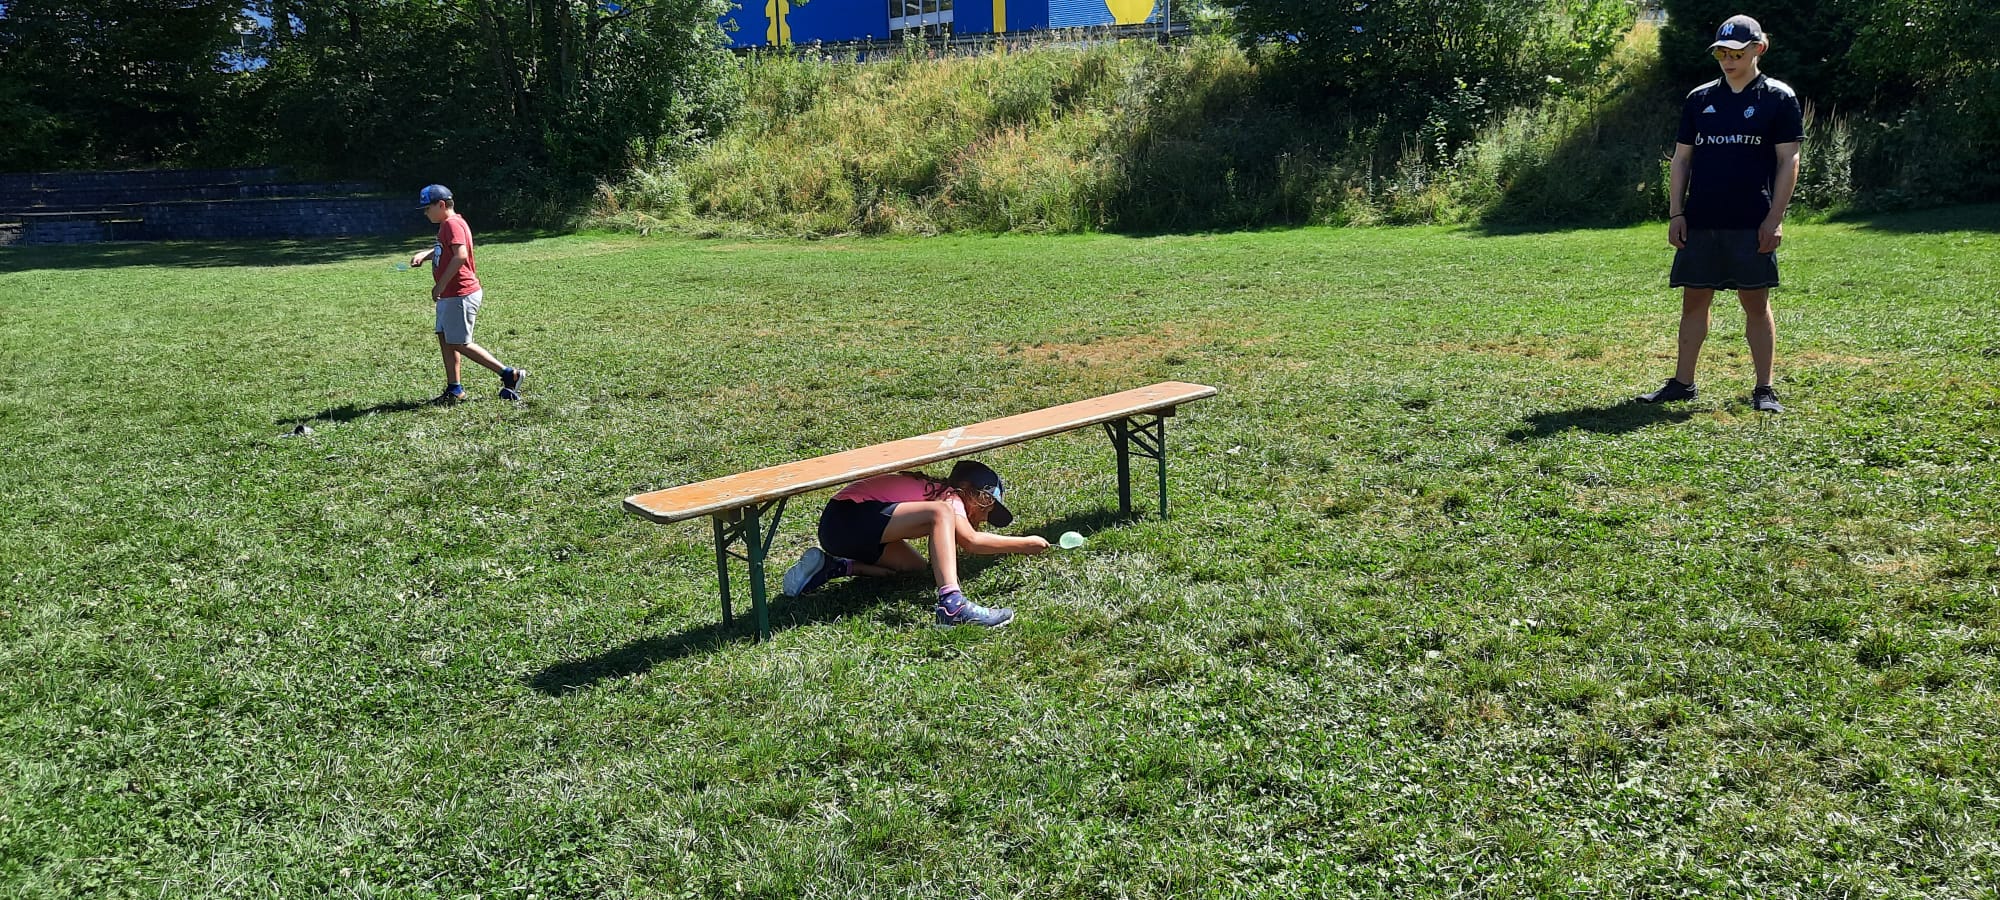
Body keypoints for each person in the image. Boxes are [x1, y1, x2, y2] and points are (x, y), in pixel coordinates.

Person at [1637, 14, 1803, 414]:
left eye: (1736, 54)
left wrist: (1774, 219)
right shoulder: (1699, 99)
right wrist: (1676, 213)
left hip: (1752, 220)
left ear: (1758, 49)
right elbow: (1681, 160)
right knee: (1694, 302)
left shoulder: (1779, 98)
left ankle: (1764, 389)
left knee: (1755, 303)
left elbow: (1789, 160)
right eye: (1721, 54)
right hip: (1701, 219)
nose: (1728, 61)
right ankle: (1682, 383)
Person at [780, 460, 1049, 628]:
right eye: (986, 506)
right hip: (847, 516)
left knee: (915, 566)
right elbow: (971, 541)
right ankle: (952, 604)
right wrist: (1026, 544)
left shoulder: (941, 493)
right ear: (967, 489)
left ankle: (836, 566)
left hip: (842, 528)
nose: (985, 516)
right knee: (940, 513)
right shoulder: (951, 497)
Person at [409, 185, 527, 404]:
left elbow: (460, 255)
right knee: (446, 339)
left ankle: (509, 374)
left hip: (459, 293)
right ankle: (454, 388)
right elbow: (446, 249)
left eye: (427, 208)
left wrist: (440, 286)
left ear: (441, 205)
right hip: (451, 295)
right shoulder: (450, 223)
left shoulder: (451, 224)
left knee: (460, 342)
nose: (425, 213)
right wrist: (425, 254)